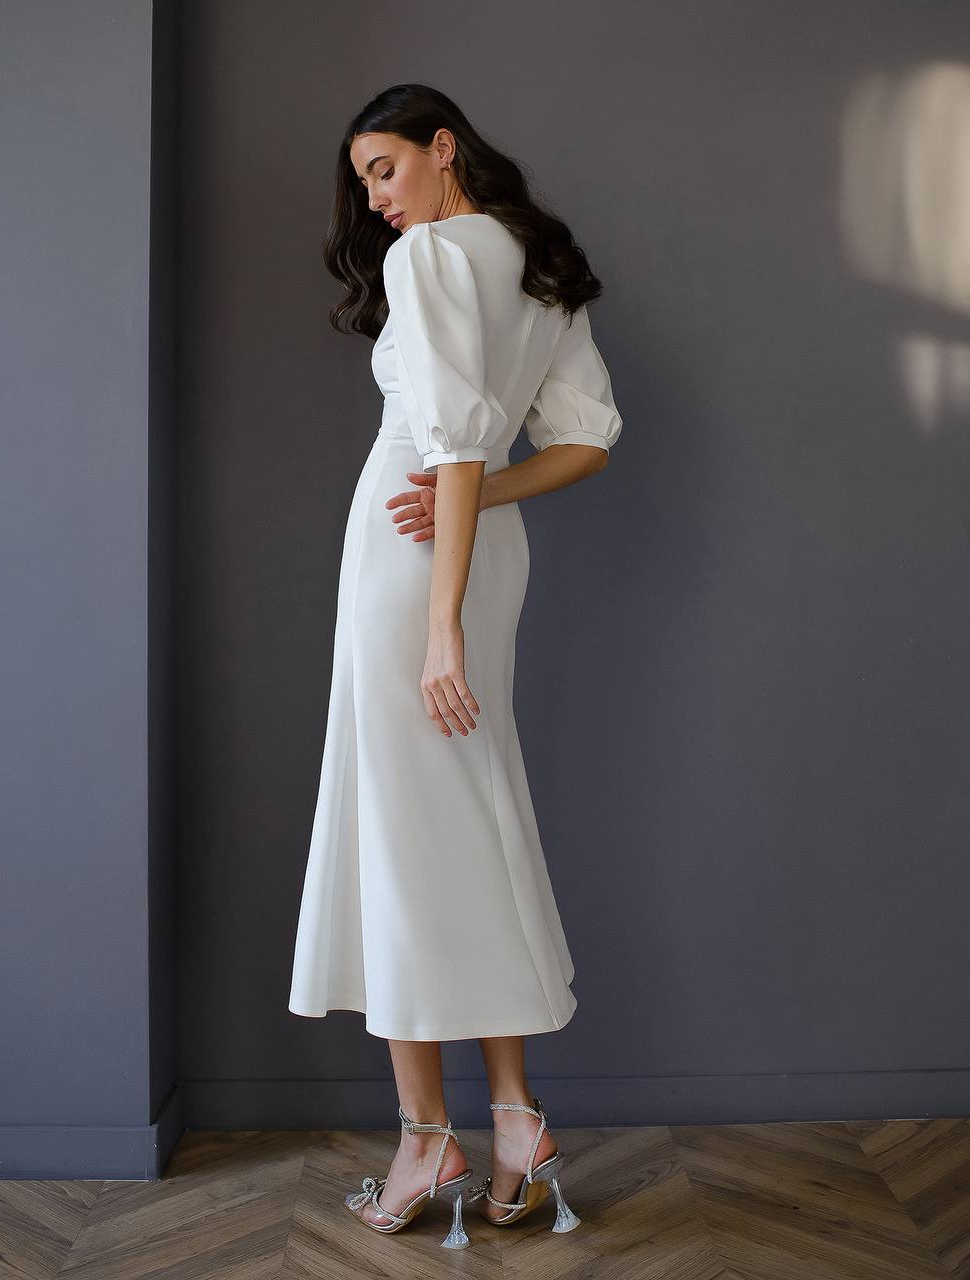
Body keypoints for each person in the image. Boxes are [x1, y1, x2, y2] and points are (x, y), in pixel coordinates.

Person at [287, 83, 623, 1248]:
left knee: (406, 833)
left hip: (413, 565)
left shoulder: (432, 256)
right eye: (363, 181)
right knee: (464, 817)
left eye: (383, 168)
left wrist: (438, 627)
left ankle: (427, 1135)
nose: (376, 200)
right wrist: (473, 524)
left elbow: (450, 445)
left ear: (443, 148)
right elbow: (580, 438)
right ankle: (517, 1121)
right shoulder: (540, 263)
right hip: (479, 557)